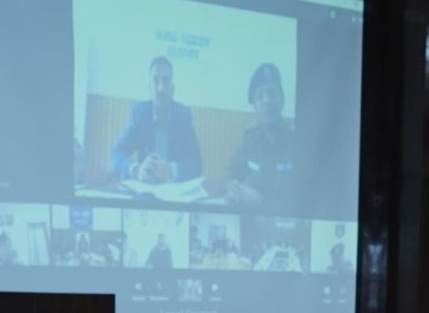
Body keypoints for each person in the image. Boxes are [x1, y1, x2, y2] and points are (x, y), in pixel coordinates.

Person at [111, 55, 203, 183]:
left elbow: (196, 163)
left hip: (174, 190)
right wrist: (137, 170)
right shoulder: (140, 113)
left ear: (173, 88)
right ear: (150, 87)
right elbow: (117, 153)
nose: (161, 89)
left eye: (166, 81)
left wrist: (171, 170)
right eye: (155, 81)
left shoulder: (183, 116)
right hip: (146, 187)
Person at [221, 62, 295, 208]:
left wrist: (261, 202)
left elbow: (303, 199)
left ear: (281, 101)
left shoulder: (297, 140)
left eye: (272, 93)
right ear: (254, 105)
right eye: (260, 96)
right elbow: (228, 174)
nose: (266, 101)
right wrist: (233, 188)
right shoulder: (250, 139)